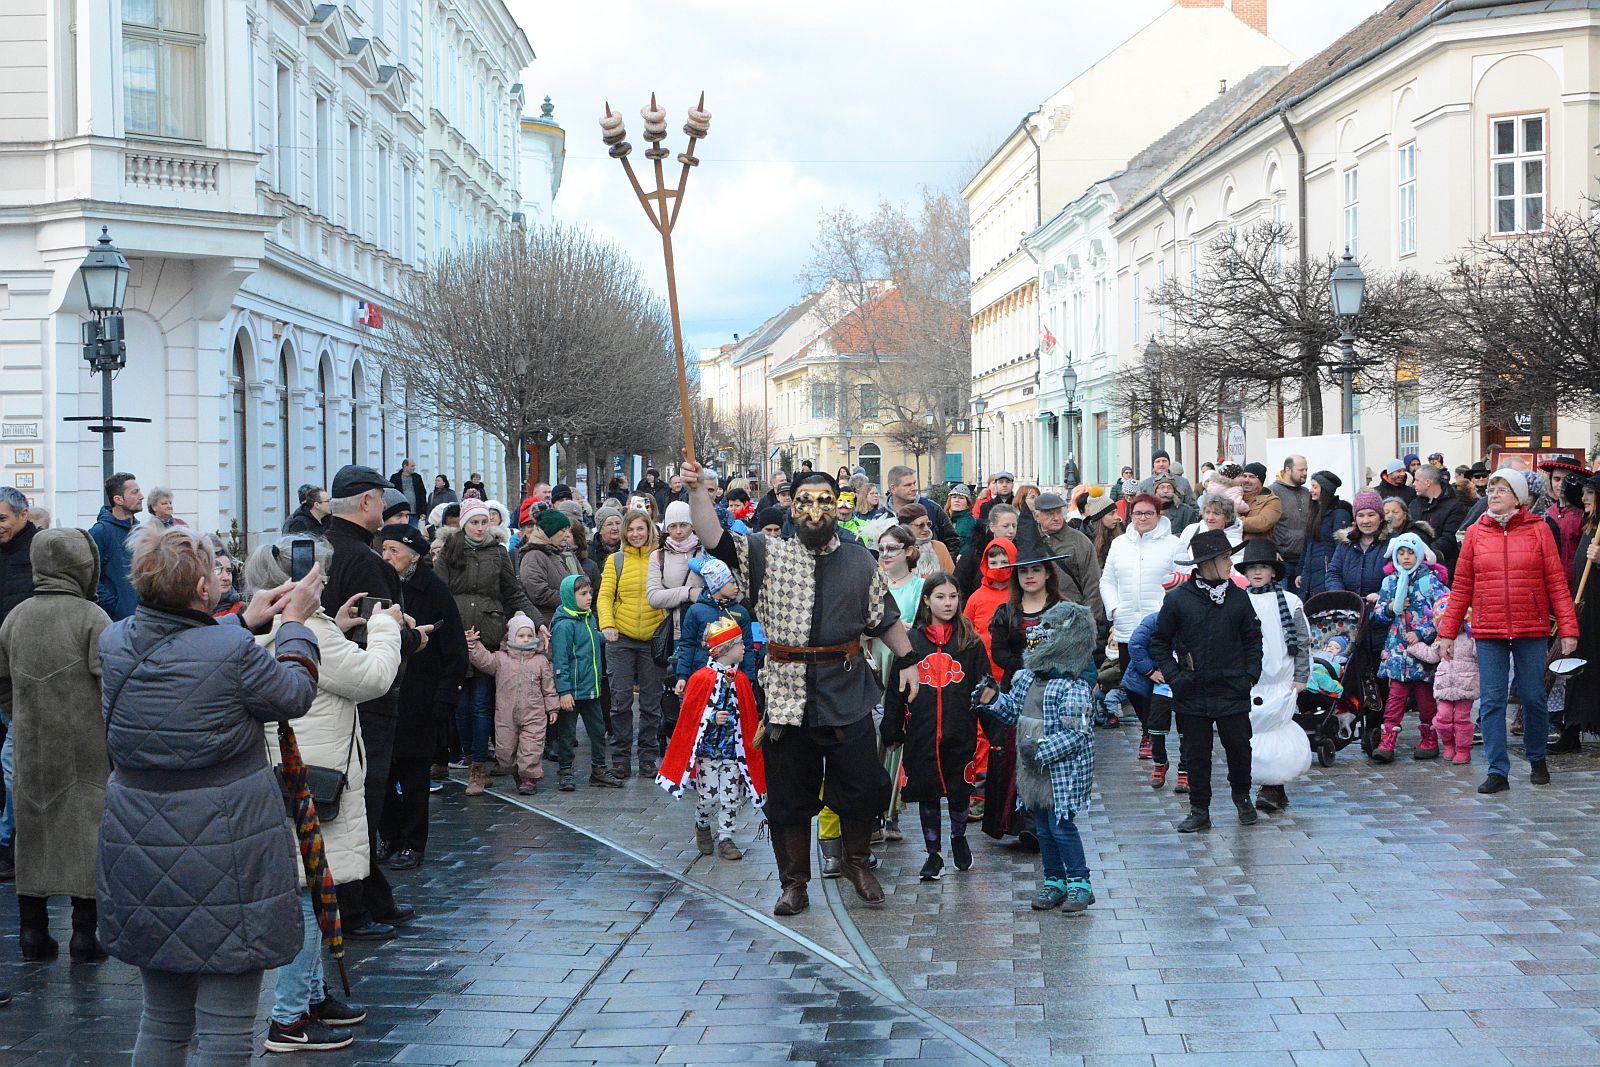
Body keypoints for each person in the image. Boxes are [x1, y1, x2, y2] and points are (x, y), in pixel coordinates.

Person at [98, 525, 323, 1065]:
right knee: (225, 1032)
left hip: (140, 842)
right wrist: (294, 627)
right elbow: (294, 694)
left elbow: (183, 650)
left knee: (162, 1021)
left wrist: (244, 620)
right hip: (227, 846)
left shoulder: (114, 640)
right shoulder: (230, 651)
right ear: (202, 589)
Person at [682, 461, 919, 916]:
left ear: (838, 507)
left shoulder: (860, 559)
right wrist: (697, 492)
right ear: (791, 507)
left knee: (863, 784)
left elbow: (883, 617)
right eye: (805, 502)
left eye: (825, 502)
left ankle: (855, 862)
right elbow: (713, 538)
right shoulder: (766, 553)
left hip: (846, 687)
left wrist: (908, 659)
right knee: (789, 797)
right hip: (787, 692)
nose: (815, 512)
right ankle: (794, 883)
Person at [248, 537, 400, 1053]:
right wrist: (385, 628)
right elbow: (373, 677)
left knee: (313, 891)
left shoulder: (261, 622)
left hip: (288, 776)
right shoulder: (308, 630)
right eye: (320, 575)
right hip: (314, 781)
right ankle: (288, 1018)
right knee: (309, 899)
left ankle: (312, 999)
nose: (326, 580)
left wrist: (338, 623)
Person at [319, 464, 426, 941]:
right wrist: (412, 641)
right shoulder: (365, 562)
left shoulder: (321, 549)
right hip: (363, 693)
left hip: (324, 691)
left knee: (353, 799)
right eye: (382, 499)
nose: (386, 507)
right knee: (362, 800)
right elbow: (378, 631)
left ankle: (370, 893)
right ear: (366, 503)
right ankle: (353, 905)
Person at [0, 527, 111, 965]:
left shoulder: (17, 616)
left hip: (32, 743)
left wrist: (21, 713)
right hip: (85, 746)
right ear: (84, 566)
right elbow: (110, 682)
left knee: (33, 834)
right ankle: (85, 936)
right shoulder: (92, 618)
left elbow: (1, 681)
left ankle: (33, 932)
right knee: (87, 834)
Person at [1437, 469, 1578, 793]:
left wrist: (1568, 629)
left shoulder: (1539, 530)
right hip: (1489, 630)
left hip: (1531, 629)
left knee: (1533, 698)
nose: (1495, 493)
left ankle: (1537, 758)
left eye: (1503, 489)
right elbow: (1462, 587)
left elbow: (1556, 582)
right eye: (1493, 488)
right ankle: (1497, 771)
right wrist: (1448, 632)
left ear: (1519, 497)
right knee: (1492, 702)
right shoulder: (1475, 533)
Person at [976, 601, 1100, 914]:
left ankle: (1080, 883)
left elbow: (1078, 734)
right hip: (1034, 773)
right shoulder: (1026, 679)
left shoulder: (1073, 687)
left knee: (1062, 827)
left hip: (1062, 773)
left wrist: (1041, 749)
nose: (1037, 633)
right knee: (1043, 828)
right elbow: (1012, 713)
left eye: (1047, 629)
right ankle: (1054, 881)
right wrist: (992, 699)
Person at [1148, 529, 1263, 833]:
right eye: (1225, 557)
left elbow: (1253, 639)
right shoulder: (1178, 600)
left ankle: (1242, 797)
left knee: (1239, 747)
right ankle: (1199, 810)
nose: (1230, 563)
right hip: (1192, 690)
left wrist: (1250, 675)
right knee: (1195, 754)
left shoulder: (1238, 597)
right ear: (1207, 562)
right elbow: (1159, 642)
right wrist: (1174, 677)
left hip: (1232, 688)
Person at [880, 573, 991, 881]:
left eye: (953, 596)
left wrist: (994, 729)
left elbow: (985, 687)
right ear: (926, 600)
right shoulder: (910, 643)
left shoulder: (969, 642)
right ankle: (933, 854)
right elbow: (895, 688)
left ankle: (958, 837)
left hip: (960, 729)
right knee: (928, 792)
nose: (948, 603)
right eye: (940, 597)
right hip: (922, 732)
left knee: (959, 790)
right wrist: (892, 729)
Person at [377, 524, 466, 868]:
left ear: (414, 555)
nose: (387, 557)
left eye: (393, 551)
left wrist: (444, 697)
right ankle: (389, 836)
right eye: (383, 550)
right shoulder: (378, 588)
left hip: (420, 696)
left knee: (414, 779)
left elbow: (454, 649)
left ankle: (413, 843)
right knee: (381, 776)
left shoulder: (434, 591)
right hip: (381, 693)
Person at [436, 498, 538, 795]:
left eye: (484, 521)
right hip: (457, 636)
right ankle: (469, 760)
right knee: (462, 706)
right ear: (464, 524)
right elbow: (439, 594)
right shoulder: (449, 550)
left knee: (482, 704)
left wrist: (537, 620)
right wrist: (453, 630)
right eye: (474, 522)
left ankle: (479, 767)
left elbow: (513, 592)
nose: (480, 527)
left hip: (488, 635)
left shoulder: (498, 553)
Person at [657, 616, 767, 861]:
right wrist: (711, 717)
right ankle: (702, 824)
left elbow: (748, 715)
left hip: (732, 752)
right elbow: (690, 717)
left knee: (731, 797)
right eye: (739, 644)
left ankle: (726, 838)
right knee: (708, 796)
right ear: (725, 649)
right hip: (708, 751)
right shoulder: (700, 679)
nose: (744, 648)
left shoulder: (740, 680)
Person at [1100, 494, 1182, 770]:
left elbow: (1180, 580)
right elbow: (1107, 579)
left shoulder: (1174, 544)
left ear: (1159, 515)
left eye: (1148, 513)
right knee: (1132, 683)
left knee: (1158, 683)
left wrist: (1168, 612)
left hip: (1159, 627)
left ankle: (1153, 734)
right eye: (1137, 514)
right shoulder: (1119, 544)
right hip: (1126, 625)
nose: (1142, 518)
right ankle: (1147, 728)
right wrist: (1114, 608)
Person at [1233, 541, 1311, 813]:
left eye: (1263, 567)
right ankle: (1266, 782)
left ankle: (1272, 787)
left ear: (1273, 572)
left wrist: (1302, 675)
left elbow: (1302, 640)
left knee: (1276, 732)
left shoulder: (1289, 602)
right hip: (1252, 680)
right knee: (1254, 733)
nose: (1257, 573)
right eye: (1252, 568)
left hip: (1281, 677)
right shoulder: (1239, 600)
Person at [599, 509, 669, 780]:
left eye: (641, 528)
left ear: (650, 530)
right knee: (620, 702)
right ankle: (620, 758)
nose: (636, 534)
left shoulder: (661, 560)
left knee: (651, 703)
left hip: (654, 640)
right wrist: (608, 625)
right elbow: (604, 596)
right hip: (621, 638)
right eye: (632, 529)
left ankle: (648, 757)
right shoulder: (615, 561)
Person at [1368, 532, 1449, 764]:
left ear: (1420, 555)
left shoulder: (1429, 581)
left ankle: (1429, 737)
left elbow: (1443, 610)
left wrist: (1423, 633)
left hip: (1422, 652)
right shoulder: (1390, 582)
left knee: (1425, 699)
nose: (1405, 558)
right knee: (1395, 698)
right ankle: (1387, 740)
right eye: (1400, 553)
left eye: (1410, 553)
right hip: (1397, 651)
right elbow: (1378, 614)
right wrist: (1390, 607)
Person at [467, 612, 556, 796]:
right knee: (505, 750)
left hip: (534, 714)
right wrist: (474, 646)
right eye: (521, 635)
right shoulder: (501, 658)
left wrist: (552, 707)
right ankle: (516, 769)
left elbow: (548, 686)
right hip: (506, 713)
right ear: (511, 637)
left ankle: (529, 778)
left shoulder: (540, 660)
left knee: (531, 745)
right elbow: (484, 660)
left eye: (529, 635)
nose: (525, 639)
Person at [648, 500, 707, 759]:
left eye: (683, 525)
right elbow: (654, 596)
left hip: (705, 634)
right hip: (674, 633)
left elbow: (716, 588)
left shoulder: (705, 552)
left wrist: (696, 596)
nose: (679, 531)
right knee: (675, 687)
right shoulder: (658, 556)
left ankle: (701, 743)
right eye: (673, 526)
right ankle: (676, 740)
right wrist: (688, 593)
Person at [550, 574, 618, 790]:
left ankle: (599, 769)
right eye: (583, 594)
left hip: (591, 688)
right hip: (572, 692)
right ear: (570, 597)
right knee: (567, 734)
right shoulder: (564, 625)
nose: (589, 597)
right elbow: (560, 660)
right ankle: (566, 769)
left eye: (590, 593)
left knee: (598, 731)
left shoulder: (588, 617)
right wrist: (564, 691)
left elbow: (588, 640)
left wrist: (601, 637)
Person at [0, 487, 36, 882]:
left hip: (22, 673)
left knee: (13, 761)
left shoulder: (37, 552)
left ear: (23, 515)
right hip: (3, 672)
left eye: (2, 518)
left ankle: (11, 842)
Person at [674, 557, 756, 689]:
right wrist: (682, 676)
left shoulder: (741, 612)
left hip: (732, 679)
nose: (736, 588)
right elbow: (687, 645)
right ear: (717, 584)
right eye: (732, 583)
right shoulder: (696, 610)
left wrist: (749, 678)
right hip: (701, 676)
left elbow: (748, 647)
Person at [1409, 608, 1479, 764]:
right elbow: (1432, 655)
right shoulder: (1441, 640)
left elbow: (1480, 654)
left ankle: (1463, 749)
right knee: (1442, 717)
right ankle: (1448, 744)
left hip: (1465, 686)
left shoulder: (1470, 639)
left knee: (1461, 719)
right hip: (1444, 687)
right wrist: (1415, 647)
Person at [1030, 492, 1107, 626]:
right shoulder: (1029, 541)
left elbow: (1093, 583)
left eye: (1059, 512)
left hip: (1072, 617)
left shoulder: (1079, 541)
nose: (1056, 518)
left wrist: (1090, 621)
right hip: (1037, 617)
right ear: (1036, 516)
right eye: (1050, 514)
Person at [90, 471, 143, 621]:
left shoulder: (142, 531)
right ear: (118, 499)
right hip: (117, 622)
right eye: (135, 492)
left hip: (144, 618)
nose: (141, 497)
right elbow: (91, 577)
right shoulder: (100, 532)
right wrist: (114, 606)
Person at [1297, 472, 1352, 599]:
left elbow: (1341, 549)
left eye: (1315, 487)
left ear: (1325, 489)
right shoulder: (1315, 513)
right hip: (1310, 575)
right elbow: (1307, 546)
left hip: (1327, 575)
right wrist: (1301, 573)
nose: (1310, 490)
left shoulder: (1339, 513)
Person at [519, 507, 580, 620]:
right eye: (562, 530)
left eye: (568, 530)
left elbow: (583, 581)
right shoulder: (533, 556)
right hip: (550, 620)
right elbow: (538, 592)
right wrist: (573, 599)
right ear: (550, 532)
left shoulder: (567, 553)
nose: (567, 534)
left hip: (573, 618)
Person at [1409, 463, 1467, 573]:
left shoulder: (1454, 507)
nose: (1413, 484)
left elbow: (1449, 539)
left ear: (1428, 482)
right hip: (1414, 567)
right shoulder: (1414, 505)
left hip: (1443, 569)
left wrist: (1424, 553)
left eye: (1416, 480)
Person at [1540, 459, 1589, 572]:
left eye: (1568, 479)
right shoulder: (1546, 513)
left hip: (1579, 579)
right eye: (1557, 479)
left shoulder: (1585, 513)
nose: (1561, 484)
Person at [1270, 455, 1310, 583]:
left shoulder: (1307, 493)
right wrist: (1271, 548)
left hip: (1303, 561)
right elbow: (1266, 524)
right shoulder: (1272, 492)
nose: (1305, 473)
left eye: (1306, 470)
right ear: (1288, 470)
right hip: (1282, 561)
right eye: (1301, 470)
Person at [898, 503, 956, 576]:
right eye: (920, 525)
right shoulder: (898, 550)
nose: (926, 529)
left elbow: (951, 578)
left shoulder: (939, 547)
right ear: (907, 527)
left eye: (928, 524)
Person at [1237, 463, 1283, 544]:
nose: (1246, 480)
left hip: (1257, 550)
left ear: (1261, 481)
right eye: (1244, 476)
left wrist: (1235, 522)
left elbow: (1262, 523)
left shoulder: (1272, 500)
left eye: (1252, 477)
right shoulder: (1234, 496)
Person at [946, 485, 976, 555]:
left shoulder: (970, 522)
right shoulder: (944, 519)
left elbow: (969, 545)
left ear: (967, 503)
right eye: (954, 497)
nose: (957, 500)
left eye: (961, 498)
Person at [212, 553, 244, 617]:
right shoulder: (188, 611)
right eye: (217, 570)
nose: (226, 578)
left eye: (228, 571)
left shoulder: (243, 611)